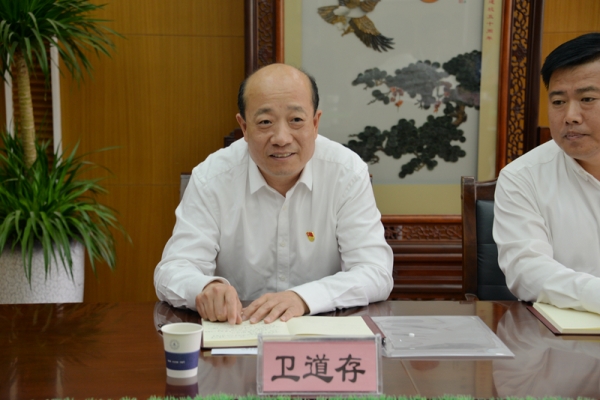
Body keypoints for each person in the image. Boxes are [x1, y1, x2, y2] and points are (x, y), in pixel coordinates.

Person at [154, 63, 394, 325]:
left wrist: (303, 298)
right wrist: (205, 288)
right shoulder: (211, 178)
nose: (281, 138)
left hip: (321, 336)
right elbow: (172, 271)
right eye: (265, 122)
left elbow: (375, 272)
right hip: (238, 333)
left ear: (315, 123)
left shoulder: (346, 173)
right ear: (244, 127)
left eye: (296, 120)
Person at [493, 32, 600, 313]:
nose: (570, 116)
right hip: (566, 333)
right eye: (558, 102)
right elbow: (527, 271)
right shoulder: (522, 176)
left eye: (587, 98)